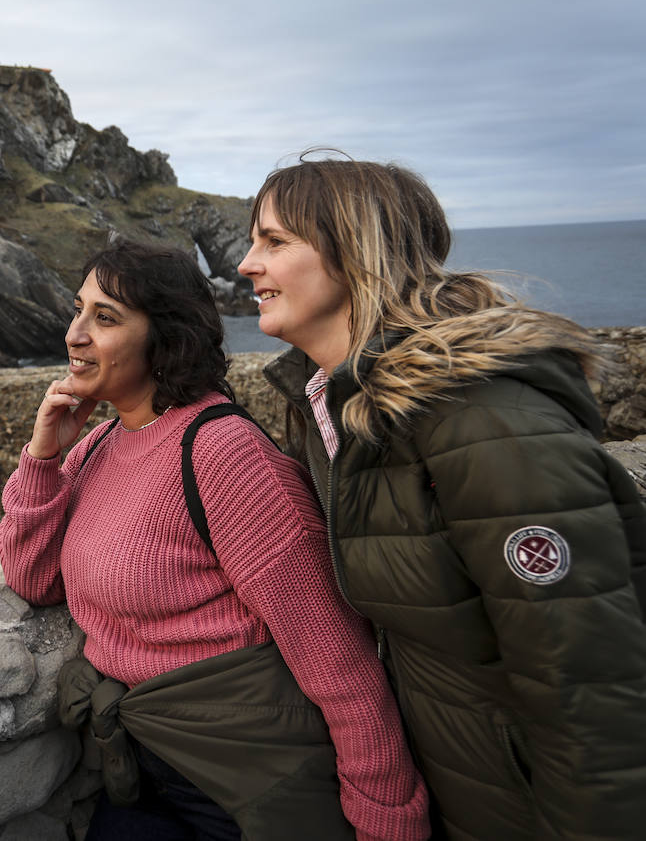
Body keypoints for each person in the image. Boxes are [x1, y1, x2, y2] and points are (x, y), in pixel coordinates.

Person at [238, 154, 646, 839]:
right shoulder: (328, 405)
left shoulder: (484, 418)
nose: (247, 264)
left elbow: (589, 684)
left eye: (274, 241)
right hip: (458, 787)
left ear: (356, 251)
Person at [0, 239, 428, 841]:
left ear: (165, 339)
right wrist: (44, 456)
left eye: (105, 317)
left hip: (239, 784)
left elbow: (339, 663)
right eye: (78, 310)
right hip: (139, 765)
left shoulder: (222, 454)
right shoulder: (100, 444)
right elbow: (31, 578)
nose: (74, 334)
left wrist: (388, 820)